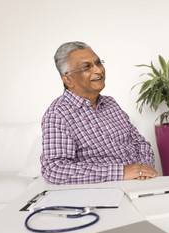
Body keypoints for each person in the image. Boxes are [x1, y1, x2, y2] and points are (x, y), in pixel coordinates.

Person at [41, 41, 158, 185]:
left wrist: (143, 170)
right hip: (103, 190)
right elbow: (54, 170)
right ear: (68, 79)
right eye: (87, 67)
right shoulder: (58, 114)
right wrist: (121, 172)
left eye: (98, 63)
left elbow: (139, 142)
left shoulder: (111, 103)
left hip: (141, 184)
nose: (98, 70)